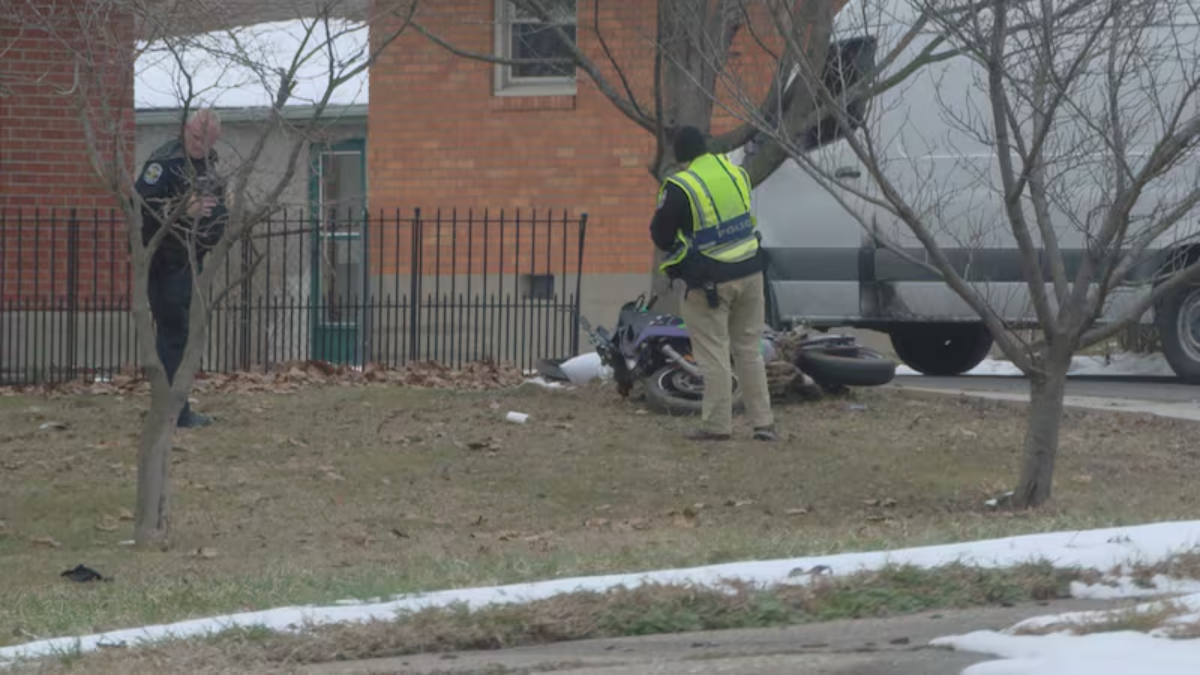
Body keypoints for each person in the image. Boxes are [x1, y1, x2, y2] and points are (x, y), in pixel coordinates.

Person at [650, 126, 776, 442]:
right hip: (750, 270)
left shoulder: (682, 185)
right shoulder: (736, 173)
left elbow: (661, 235)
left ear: (680, 158)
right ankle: (763, 424)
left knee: (714, 353)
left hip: (709, 281)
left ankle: (718, 425)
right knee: (749, 349)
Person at [134, 108, 227, 429]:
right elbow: (141, 207)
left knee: (185, 335)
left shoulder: (209, 165)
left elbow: (218, 208)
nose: (201, 145)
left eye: (209, 140)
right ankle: (174, 413)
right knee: (175, 334)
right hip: (165, 261)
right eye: (197, 138)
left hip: (192, 260)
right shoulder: (166, 162)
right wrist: (180, 209)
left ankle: (175, 409)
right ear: (186, 129)